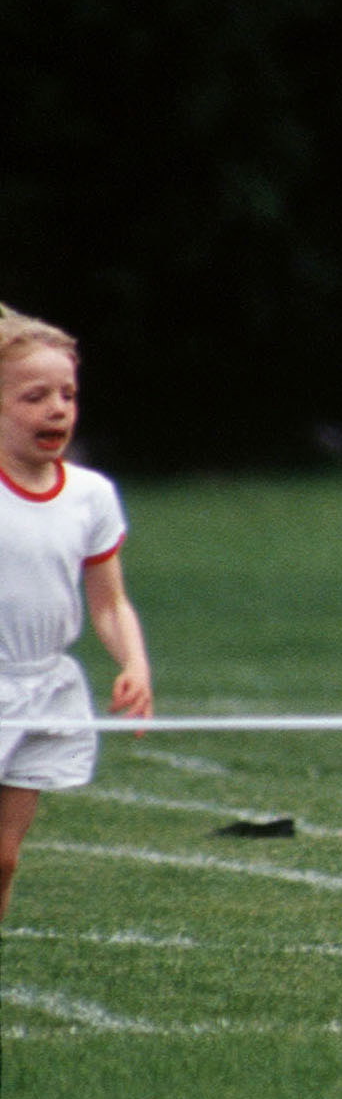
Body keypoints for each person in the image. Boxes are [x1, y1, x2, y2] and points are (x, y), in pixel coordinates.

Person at [0, 315, 153, 920]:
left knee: (4, 858)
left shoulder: (89, 495)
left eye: (67, 395)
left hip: (42, 690)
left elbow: (110, 602)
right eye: (33, 396)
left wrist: (134, 664)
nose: (56, 410)